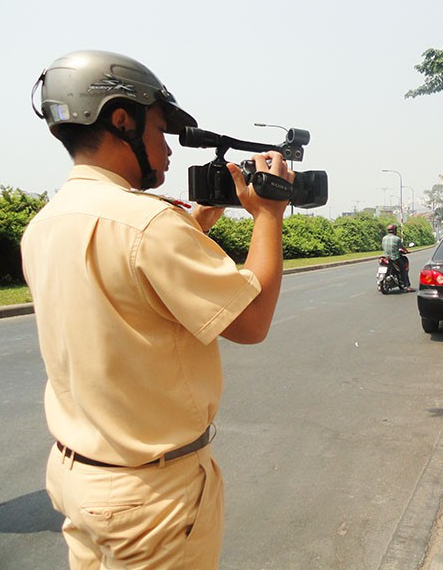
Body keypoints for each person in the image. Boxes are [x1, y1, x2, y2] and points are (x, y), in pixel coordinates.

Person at [21, 50, 292, 569]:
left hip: (78, 479)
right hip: (150, 498)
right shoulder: (149, 225)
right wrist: (268, 215)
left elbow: (126, 281)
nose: (167, 149)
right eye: (161, 130)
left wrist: (195, 224)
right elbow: (252, 322)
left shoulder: (47, 223)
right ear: (122, 120)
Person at [382, 223, 413, 292]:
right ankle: (407, 286)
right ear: (395, 230)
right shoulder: (397, 239)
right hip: (394, 258)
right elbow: (402, 247)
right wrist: (407, 251)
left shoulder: (384, 238)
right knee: (403, 270)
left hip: (385, 257)